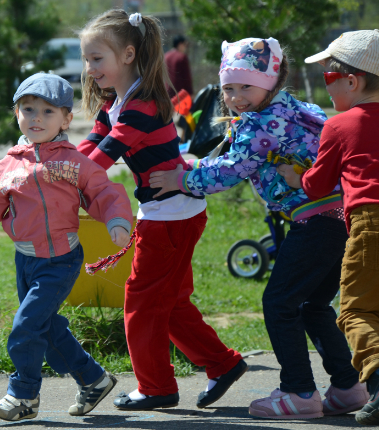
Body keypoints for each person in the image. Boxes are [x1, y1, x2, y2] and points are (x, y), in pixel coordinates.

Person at [149, 36, 367, 419]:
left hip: (315, 220)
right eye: (229, 88)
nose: (235, 96)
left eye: (245, 86)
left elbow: (230, 170)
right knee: (314, 306)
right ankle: (348, 387)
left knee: (279, 303)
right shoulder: (300, 109)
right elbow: (232, 157)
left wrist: (179, 180)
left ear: (270, 81)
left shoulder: (263, 122)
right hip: (342, 218)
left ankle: (299, 391)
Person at [77, 9, 247, 411]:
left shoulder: (142, 106)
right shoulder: (117, 101)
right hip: (173, 213)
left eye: (97, 59)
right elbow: (91, 144)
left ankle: (156, 387)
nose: (89, 68)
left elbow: (104, 156)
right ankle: (222, 364)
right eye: (87, 59)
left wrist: (64, 177)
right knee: (168, 302)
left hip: (170, 217)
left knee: (141, 301)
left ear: (128, 54)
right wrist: (56, 166)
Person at [0, 73, 134, 422]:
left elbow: (104, 192)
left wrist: (117, 221)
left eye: (48, 111)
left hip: (60, 260)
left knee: (25, 328)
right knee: (46, 327)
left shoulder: (73, 163)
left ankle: (24, 396)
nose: (37, 118)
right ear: (16, 114)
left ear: (66, 119)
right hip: (26, 261)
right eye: (28, 109)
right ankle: (94, 379)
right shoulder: (5, 168)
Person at [278, 29, 379, 426]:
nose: (327, 89)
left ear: (351, 81)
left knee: (355, 310)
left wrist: (293, 176)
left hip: (373, 223)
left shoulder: (338, 126)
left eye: (327, 78)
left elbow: (317, 184)